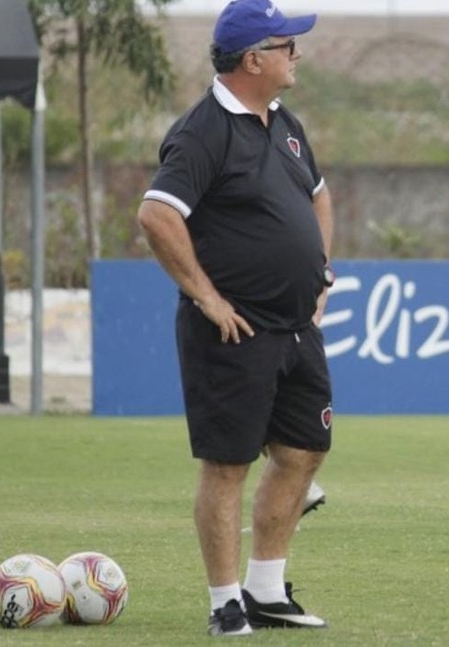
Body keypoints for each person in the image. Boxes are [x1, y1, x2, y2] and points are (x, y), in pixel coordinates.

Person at [136, 0, 336, 636]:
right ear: (254, 59)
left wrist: (321, 272)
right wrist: (207, 297)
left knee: (304, 451)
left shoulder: (285, 121)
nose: (296, 55)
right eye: (287, 46)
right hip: (234, 329)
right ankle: (225, 602)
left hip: (296, 327)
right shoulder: (203, 131)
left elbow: (319, 198)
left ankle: (266, 590)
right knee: (227, 465)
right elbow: (156, 215)